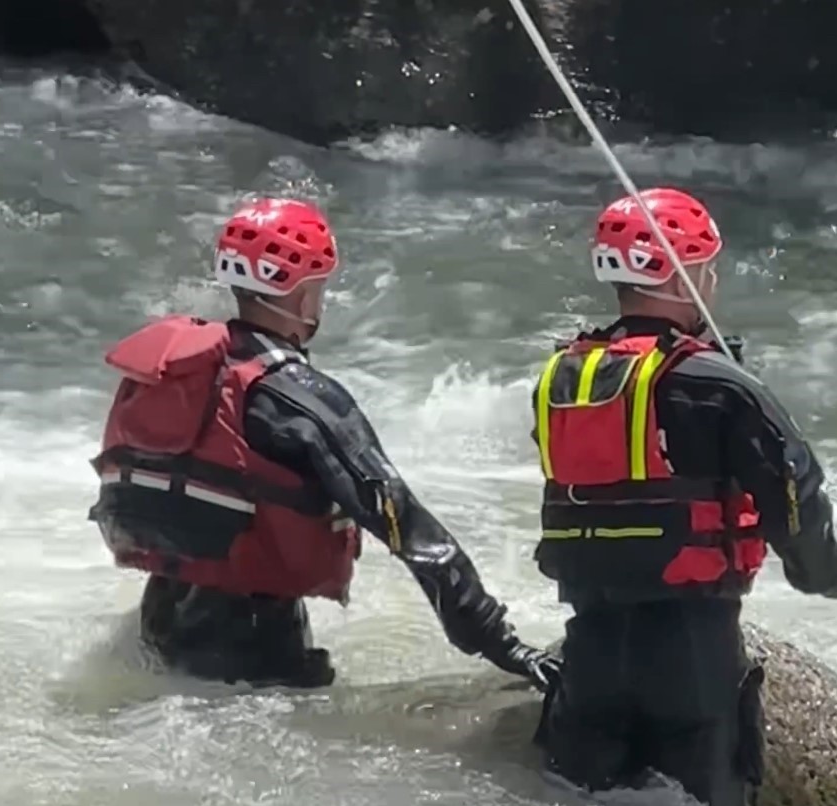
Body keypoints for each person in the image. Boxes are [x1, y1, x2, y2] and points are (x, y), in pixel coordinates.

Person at [89, 196, 560, 691]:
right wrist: (500, 643)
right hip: (252, 640)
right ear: (303, 295)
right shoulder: (297, 395)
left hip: (161, 616)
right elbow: (404, 524)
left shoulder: (187, 371)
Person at [529, 187, 837, 806]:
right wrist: (825, 571)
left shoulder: (560, 378)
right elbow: (794, 492)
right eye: (709, 270)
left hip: (591, 649)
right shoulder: (718, 383)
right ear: (689, 274)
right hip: (692, 653)